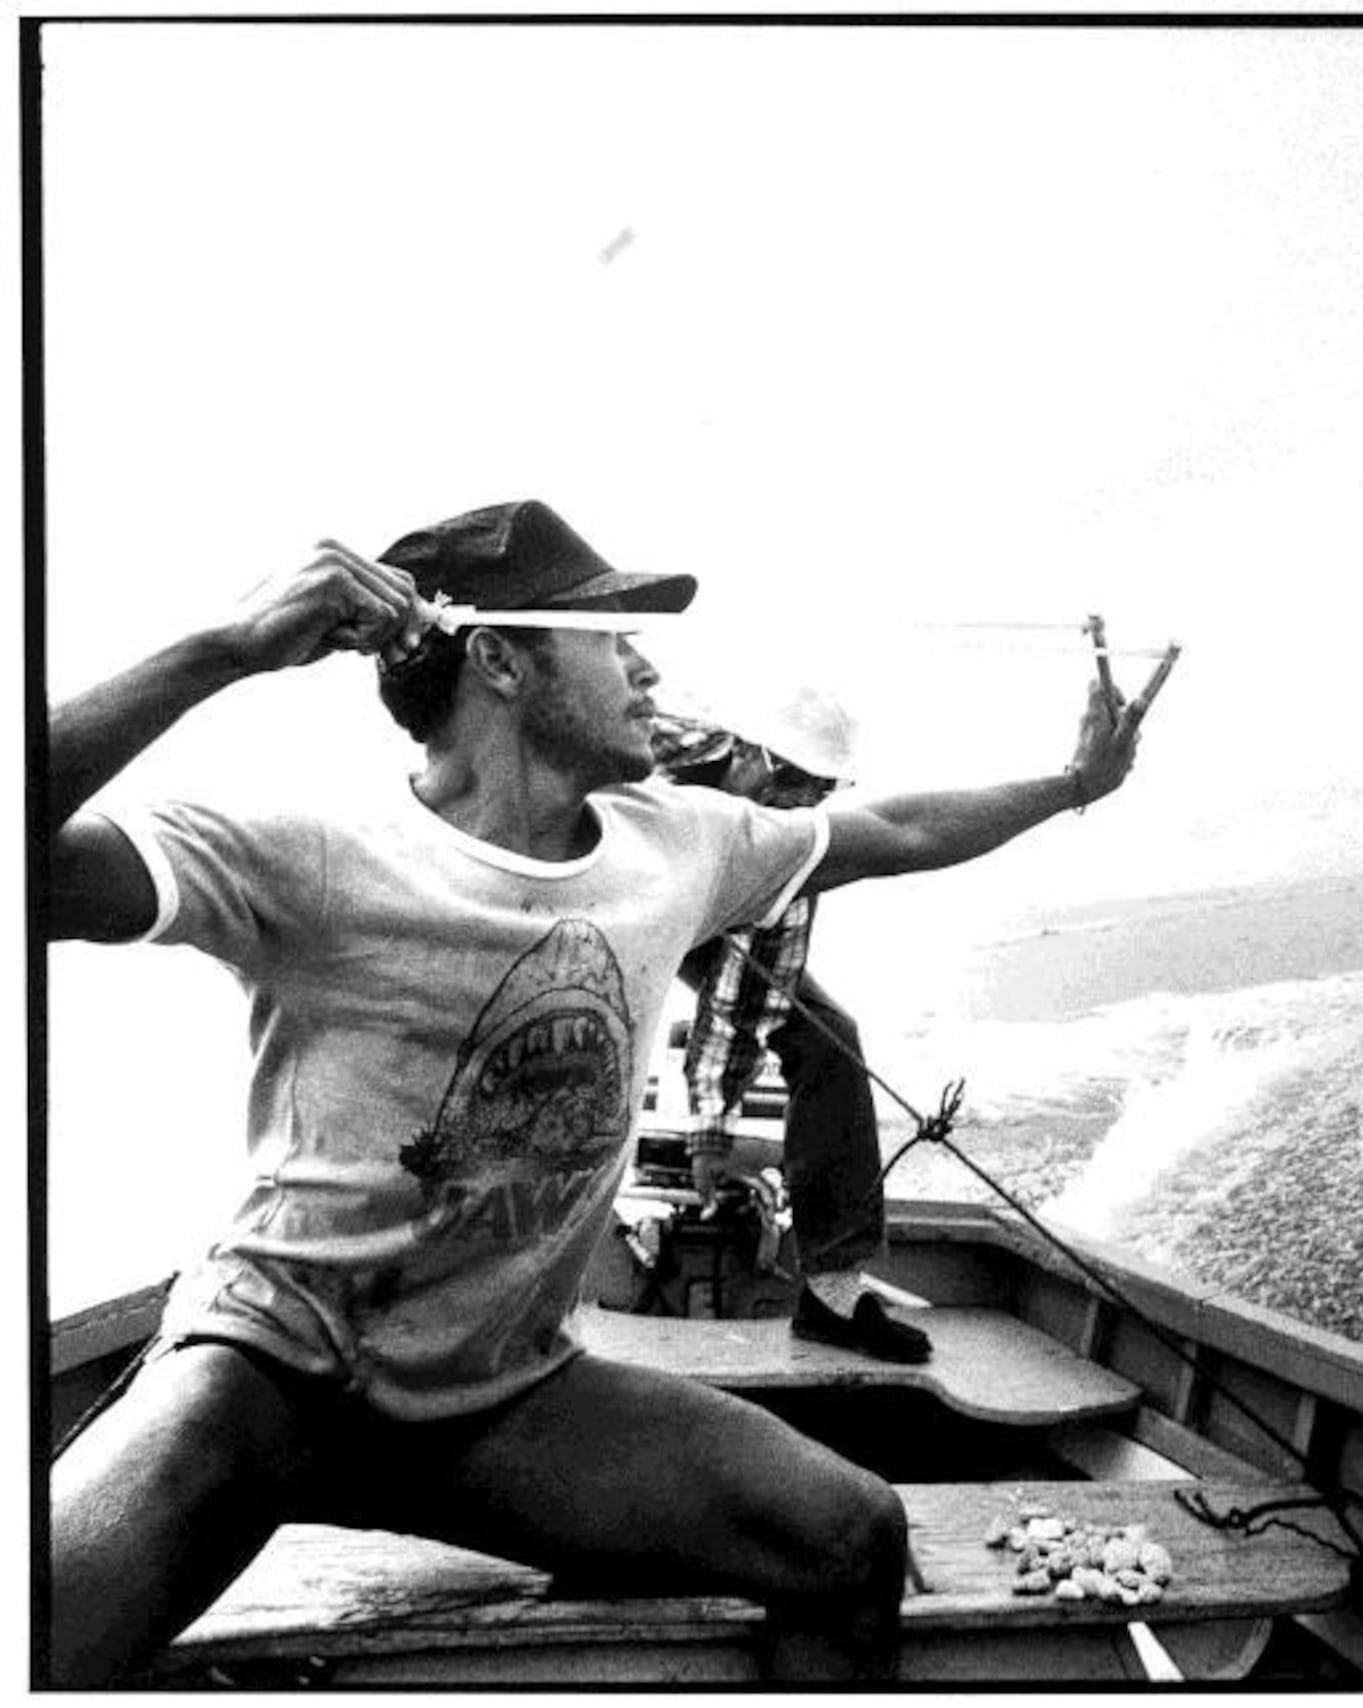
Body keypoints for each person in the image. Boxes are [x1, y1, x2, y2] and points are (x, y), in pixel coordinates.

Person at [44, 499, 1149, 1685]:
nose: (648, 664)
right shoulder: (308, 847)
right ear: (501, 658)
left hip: (499, 1399)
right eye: (609, 633)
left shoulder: (681, 842)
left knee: (847, 1533)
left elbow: (892, 823)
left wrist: (1077, 782)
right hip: (265, 1377)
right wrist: (222, 648)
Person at [652, 693, 930, 1361]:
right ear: (745, 752)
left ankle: (833, 1290)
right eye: (792, 780)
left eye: (821, 789)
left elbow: (748, 995)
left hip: (710, 903)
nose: (802, 802)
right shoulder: (654, 758)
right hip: (619, 884)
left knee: (830, 1036)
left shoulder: (785, 837)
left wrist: (710, 1131)